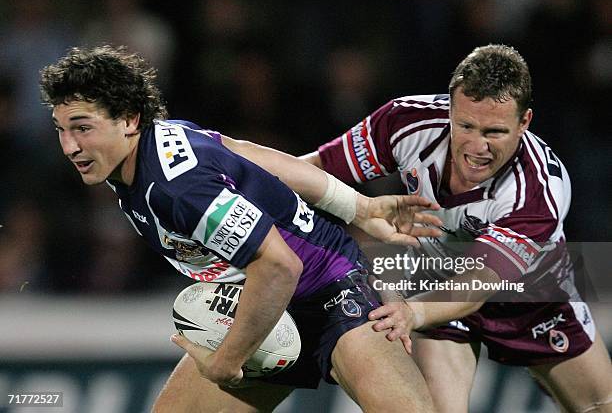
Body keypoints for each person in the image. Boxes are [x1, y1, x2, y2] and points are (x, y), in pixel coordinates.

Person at [39, 46, 443, 412]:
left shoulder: (176, 189)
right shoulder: (159, 141)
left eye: (82, 127)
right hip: (261, 309)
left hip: (331, 294)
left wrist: (227, 361)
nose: (70, 146)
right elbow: (243, 152)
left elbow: (279, 266)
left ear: (128, 120)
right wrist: (357, 206)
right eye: (61, 129)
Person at [299, 44, 612, 413]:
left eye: (495, 131)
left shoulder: (538, 191)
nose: (478, 147)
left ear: (524, 121)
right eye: (466, 126)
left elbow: (479, 282)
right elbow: (316, 170)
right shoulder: (405, 122)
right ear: (449, 109)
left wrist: (412, 313)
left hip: (528, 299)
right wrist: (246, 188)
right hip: (437, 287)